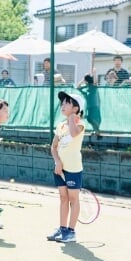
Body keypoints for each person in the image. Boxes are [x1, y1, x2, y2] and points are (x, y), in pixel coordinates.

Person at [47, 91, 86, 243]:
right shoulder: (60, 126)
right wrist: (57, 162)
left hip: (74, 169)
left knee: (73, 199)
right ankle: (62, 229)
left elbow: (75, 133)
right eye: (62, 103)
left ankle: (71, 232)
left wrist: (71, 119)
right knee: (63, 198)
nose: (62, 106)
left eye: (66, 103)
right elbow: (53, 147)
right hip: (59, 169)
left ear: (76, 108)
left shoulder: (80, 123)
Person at [77, 68, 102, 137]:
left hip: (95, 106)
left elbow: (95, 82)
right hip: (89, 107)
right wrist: (83, 79)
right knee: (89, 119)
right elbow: (78, 87)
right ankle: (96, 131)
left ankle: (97, 132)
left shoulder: (93, 87)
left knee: (92, 119)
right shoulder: (86, 89)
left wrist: (94, 73)